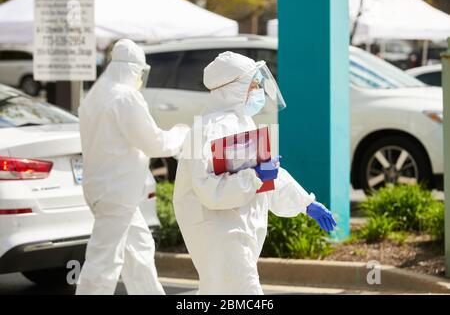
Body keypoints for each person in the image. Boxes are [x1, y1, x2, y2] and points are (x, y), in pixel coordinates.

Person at [173, 51, 336, 295]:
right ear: (234, 87)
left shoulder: (242, 123)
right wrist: (256, 177)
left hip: (238, 231)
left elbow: (268, 173)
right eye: (255, 84)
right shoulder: (204, 130)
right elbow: (209, 190)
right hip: (220, 235)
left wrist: (305, 203)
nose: (259, 90)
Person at [76, 39, 189, 295]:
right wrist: (181, 134)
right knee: (104, 261)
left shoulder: (96, 94)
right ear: (132, 69)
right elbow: (155, 143)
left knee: (139, 250)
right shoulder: (125, 97)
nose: (140, 78)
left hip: (106, 188)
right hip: (117, 192)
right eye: (139, 72)